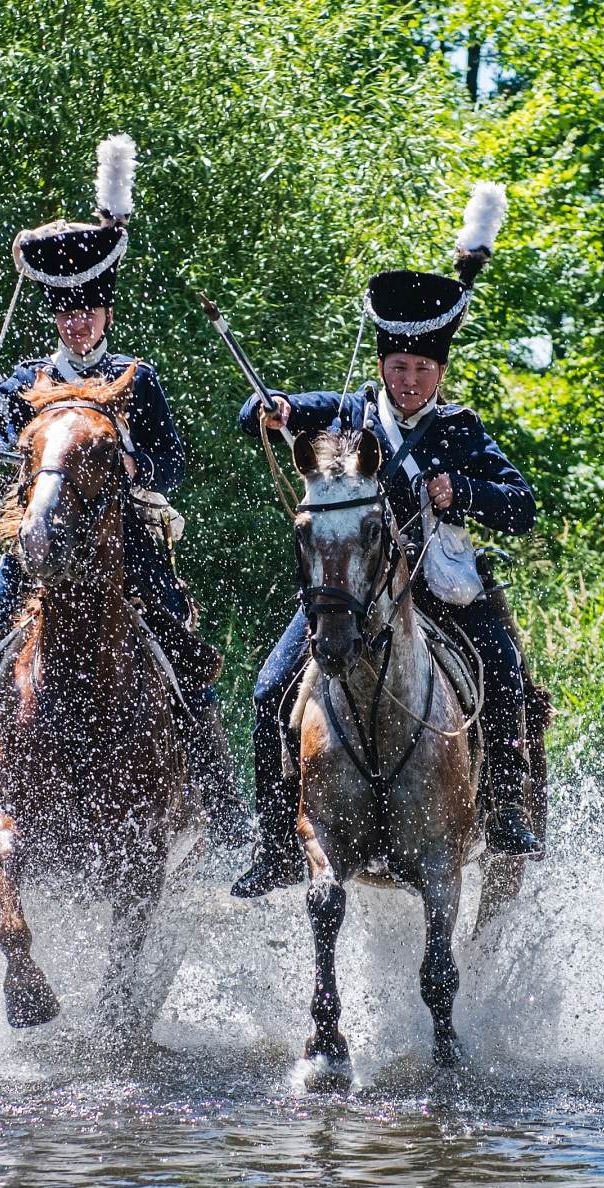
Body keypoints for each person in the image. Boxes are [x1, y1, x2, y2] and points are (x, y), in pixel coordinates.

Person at [0, 135, 249, 848]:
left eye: (85, 311)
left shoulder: (137, 379)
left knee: (181, 645)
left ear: (105, 313)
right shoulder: (26, 381)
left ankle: (220, 795)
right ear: (53, 314)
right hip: (37, 539)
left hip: (122, 540)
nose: (74, 322)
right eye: (63, 312)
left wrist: (139, 468)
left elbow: (174, 462)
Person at [228, 182, 544, 899]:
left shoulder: (461, 429)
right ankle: (277, 844)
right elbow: (252, 414)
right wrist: (273, 409)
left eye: (422, 370)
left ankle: (506, 812)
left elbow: (522, 506)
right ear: (382, 368)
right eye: (398, 368)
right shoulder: (344, 411)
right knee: (269, 687)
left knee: (503, 668)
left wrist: (460, 494)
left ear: (440, 371)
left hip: (439, 589)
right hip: (353, 590)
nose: (408, 380)